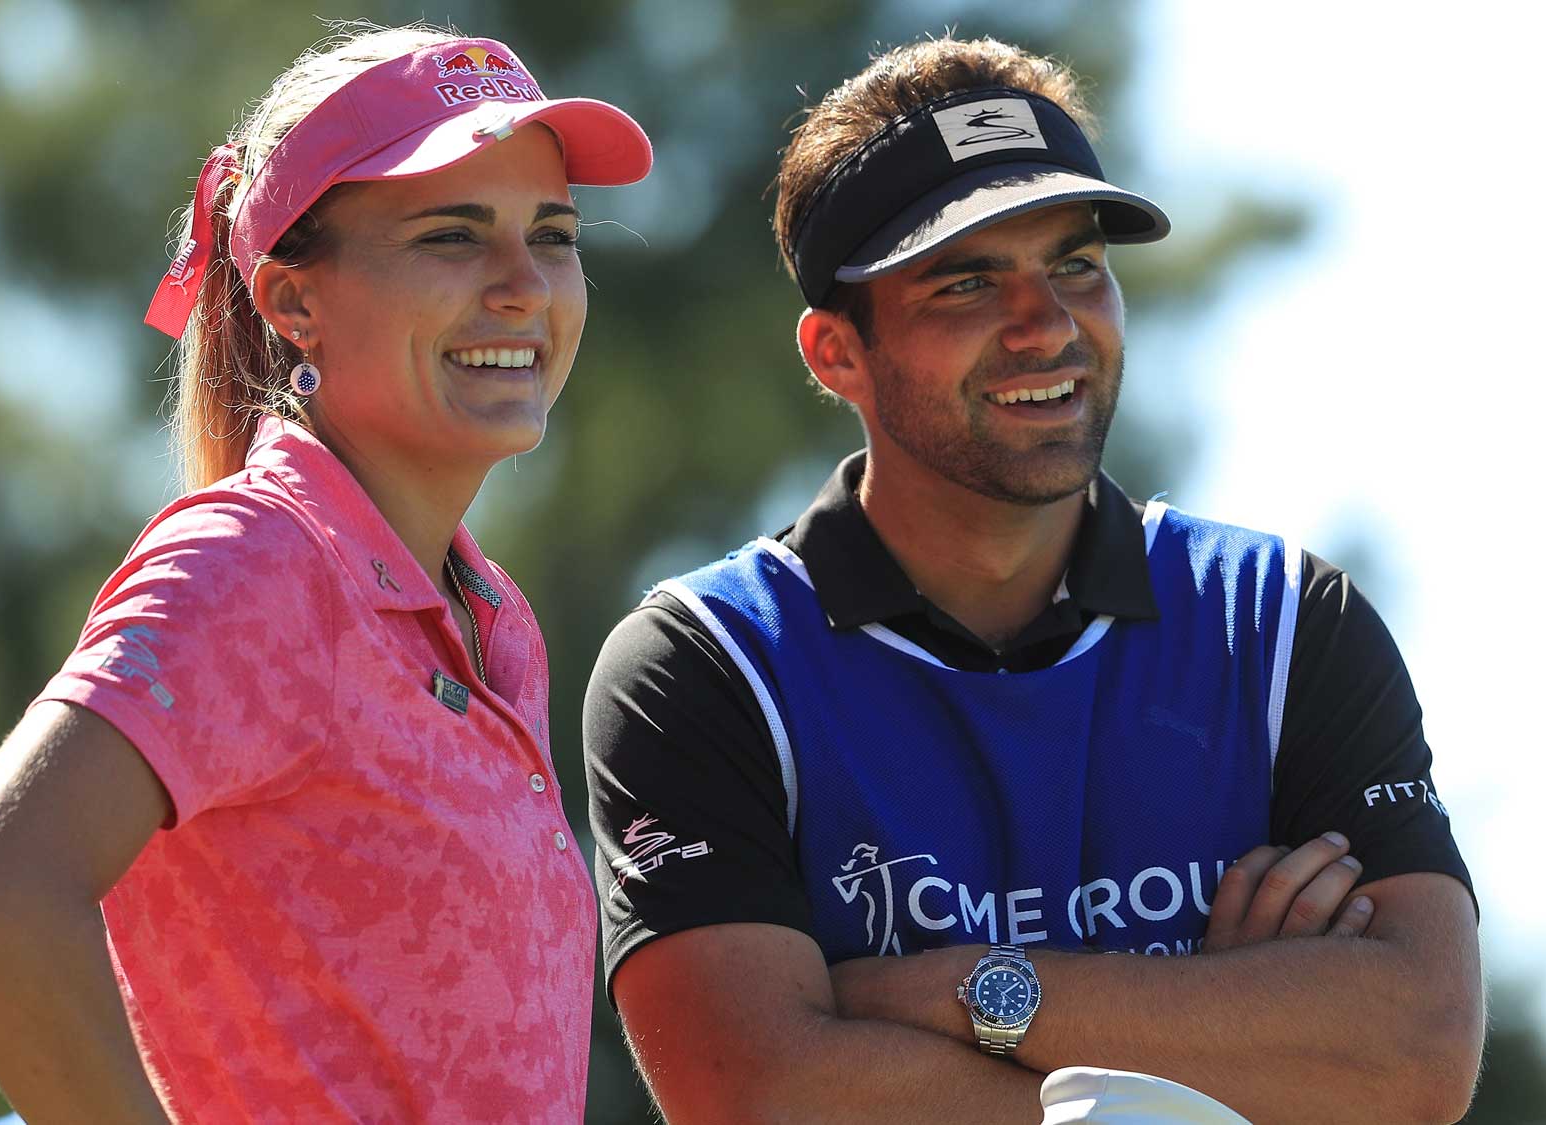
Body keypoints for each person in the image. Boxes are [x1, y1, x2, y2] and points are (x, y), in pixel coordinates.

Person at [583, 35, 1482, 1124]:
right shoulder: (701, 664)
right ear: (835, 354)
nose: (1046, 325)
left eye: (1073, 266)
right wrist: (1215, 1034)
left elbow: (1416, 1054)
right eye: (966, 283)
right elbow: (756, 1092)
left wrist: (958, 995)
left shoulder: (1284, 619)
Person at [0, 24, 650, 1123]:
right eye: (452, 236)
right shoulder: (256, 562)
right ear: (292, 301)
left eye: (551, 235)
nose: (521, 286)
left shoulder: (496, 621)